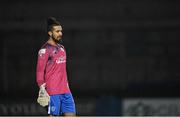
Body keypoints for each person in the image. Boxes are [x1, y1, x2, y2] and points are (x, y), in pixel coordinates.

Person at [36, 17, 76, 116]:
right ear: (50, 33)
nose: (60, 34)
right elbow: (39, 71)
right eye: (57, 31)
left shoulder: (62, 48)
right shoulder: (44, 50)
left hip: (66, 91)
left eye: (61, 31)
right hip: (53, 92)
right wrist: (41, 87)